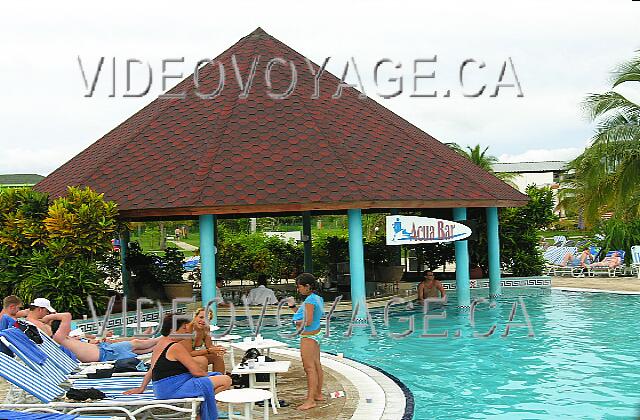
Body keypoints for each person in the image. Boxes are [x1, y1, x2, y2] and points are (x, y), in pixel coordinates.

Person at [124, 313, 232, 420]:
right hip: (173, 388)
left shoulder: (161, 342)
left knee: (216, 376)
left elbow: (153, 368)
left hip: (161, 389)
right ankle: (201, 413)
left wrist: (142, 387)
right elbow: (197, 372)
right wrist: (207, 377)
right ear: (173, 330)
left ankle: (203, 409)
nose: (186, 330)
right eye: (183, 327)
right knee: (226, 380)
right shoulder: (175, 347)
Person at [47, 312, 158, 362]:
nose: (70, 328)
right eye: (68, 326)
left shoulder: (66, 339)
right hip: (105, 353)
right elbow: (66, 315)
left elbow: (84, 345)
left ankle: (161, 343)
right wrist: (47, 318)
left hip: (104, 351)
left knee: (142, 349)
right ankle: (162, 339)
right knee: (136, 344)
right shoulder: (59, 338)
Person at [288, 273, 325, 410]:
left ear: (307, 286)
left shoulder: (309, 300)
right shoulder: (317, 298)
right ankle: (318, 394)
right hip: (317, 333)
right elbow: (308, 316)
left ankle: (310, 400)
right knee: (316, 365)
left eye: (299, 287)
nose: (298, 290)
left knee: (309, 368)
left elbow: (307, 321)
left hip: (308, 336)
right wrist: (293, 307)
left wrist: (296, 323)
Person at [184, 307, 226, 373]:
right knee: (202, 360)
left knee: (217, 357)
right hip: (181, 358)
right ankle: (204, 381)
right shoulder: (187, 330)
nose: (203, 321)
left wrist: (218, 348)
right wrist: (209, 350)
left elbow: (209, 346)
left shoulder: (206, 328)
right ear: (195, 317)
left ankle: (219, 379)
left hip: (192, 357)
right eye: (201, 317)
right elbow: (189, 353)